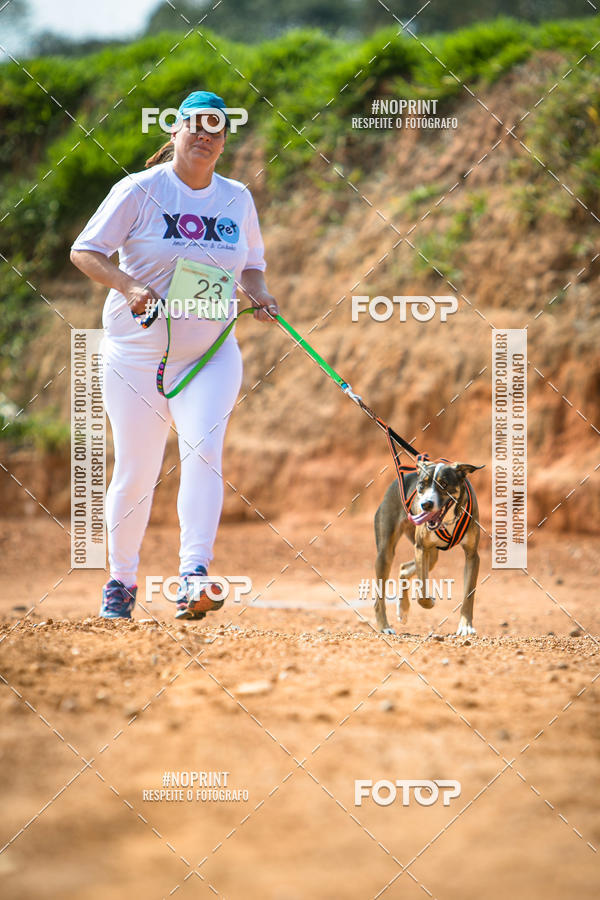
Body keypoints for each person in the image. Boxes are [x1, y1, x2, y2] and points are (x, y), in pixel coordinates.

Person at [70, 90, 278, 621]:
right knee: (137, 471)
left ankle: (194, 576)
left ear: (225, 139)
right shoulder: (139, 190)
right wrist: (128, 285)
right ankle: (120, 582)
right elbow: (85, 251)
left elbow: (252, 264)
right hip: (135, 356)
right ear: (175, 132)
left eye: (217, 128)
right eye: (196, 126)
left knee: (204, 452)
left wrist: (258, 292)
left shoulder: (237, 199)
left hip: (209, 353)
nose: (205, 136)